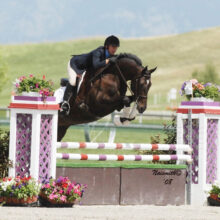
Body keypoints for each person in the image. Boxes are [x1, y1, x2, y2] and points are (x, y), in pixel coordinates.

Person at [61, 35, 120, 115]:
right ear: (107, 46)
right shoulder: (98, 52)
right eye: (113, 47)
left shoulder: (110, 55)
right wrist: (108, 61)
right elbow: (96, 65)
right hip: (75, 65)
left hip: (85, 69)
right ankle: (65, 103)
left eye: (116, 47)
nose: (114, 49)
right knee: (73, 81)